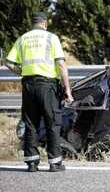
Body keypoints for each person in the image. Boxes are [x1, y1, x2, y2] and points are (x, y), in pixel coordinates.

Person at [5, 12, 74, 172]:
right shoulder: (51, 38)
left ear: (33, 23)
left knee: (30, 123)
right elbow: (62, 65)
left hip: (28, 85)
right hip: (47, 85)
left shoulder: (23, 38)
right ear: (45, 23)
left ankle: (32, 163)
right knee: (52, 122)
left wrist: (20, 71)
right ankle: (55, 162)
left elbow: (8, 62)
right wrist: (68, 91)